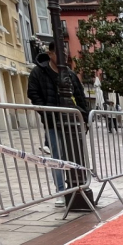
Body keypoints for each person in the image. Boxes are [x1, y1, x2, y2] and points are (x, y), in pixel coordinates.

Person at [28, 42, 89, 200]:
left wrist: (85, 118)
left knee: (75, 155)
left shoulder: (70, 74)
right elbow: (33, 93)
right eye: (61, 54)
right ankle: (61, 191)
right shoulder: (38, 72)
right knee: (57, 156)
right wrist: (45, 110)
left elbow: (81, 97)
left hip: (71, 123)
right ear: (50, 54)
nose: (65, 58)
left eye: (66, 54)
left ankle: (77, 186)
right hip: (52, 122)